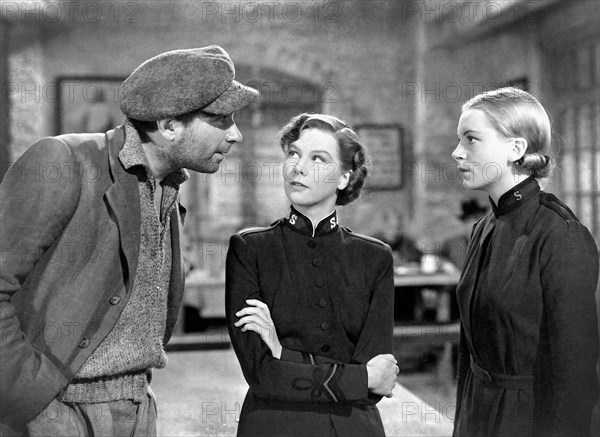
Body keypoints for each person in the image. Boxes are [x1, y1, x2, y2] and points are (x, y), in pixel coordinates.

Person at [0, 45, 258, 436]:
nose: (235, 134)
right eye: (221, 119)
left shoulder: (167, 189)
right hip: (59, 407)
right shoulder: (64, 161)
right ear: (170, 126)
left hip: (137, 405)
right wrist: (37, 409)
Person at [225, 113, 398, 437]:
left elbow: (379, 382)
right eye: (294, 153)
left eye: (318, 158)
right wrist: (358, 378)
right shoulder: (250, 249)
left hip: (353, 427)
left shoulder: (375, 257)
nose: (298, 167)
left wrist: (283, 352)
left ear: (345, 178)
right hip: (274, 425)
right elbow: (262, 375)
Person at [451, 87, 599, 437]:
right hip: (477, 415)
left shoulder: (560, 234)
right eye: (459, 140)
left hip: (528, 421)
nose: (457, 153)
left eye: (471, 140)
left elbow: (575, 377)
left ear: (515, 149)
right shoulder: (483, 228)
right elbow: (470, 354)